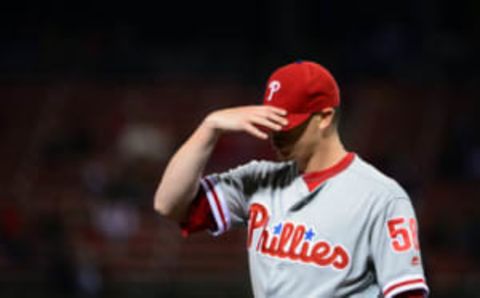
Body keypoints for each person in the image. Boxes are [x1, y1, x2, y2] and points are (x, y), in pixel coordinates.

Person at [154, 61, 429, 298]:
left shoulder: (381, 196)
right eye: (273, 125)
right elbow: (168, 204)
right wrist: (209, 127)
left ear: (324, 118)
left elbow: (408, 292)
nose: (277, 136)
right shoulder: (259, 179)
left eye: (288, 128)